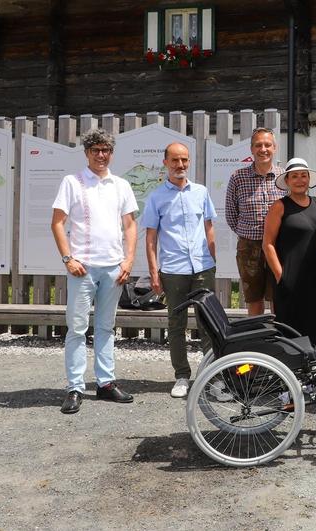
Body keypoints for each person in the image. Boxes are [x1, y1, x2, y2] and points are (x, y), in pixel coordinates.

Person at [51, 128, 138, 414]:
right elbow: (57, 222)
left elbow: (130, 225)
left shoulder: (121, 184)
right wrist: (68, 258)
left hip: (113, 267)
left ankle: (105, 383)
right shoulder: (72, 182)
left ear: (112, 153)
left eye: (106, 150)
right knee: (77, 328)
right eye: (96, 150)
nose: (101, 155)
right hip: (83, 268)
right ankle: (75, 387)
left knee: (106, 327)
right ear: (87, 152)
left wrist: (128, 261)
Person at [142, 142, 217, 399]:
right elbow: (151, 238)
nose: (180, 165)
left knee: (209, 324)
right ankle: (182, 376)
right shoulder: (156, 197)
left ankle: (212, 377)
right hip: (173, 270)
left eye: (184, 159)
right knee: (177, 324)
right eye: (175, 160)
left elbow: (208, 227)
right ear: (165, 163)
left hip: (202, 267)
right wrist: (154, 272)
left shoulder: (201, 192)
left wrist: (212, 259)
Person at [262, 158, 316, 345]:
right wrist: (280, 276)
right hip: (289, 278)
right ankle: (289, 363)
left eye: (303, 175)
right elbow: (268, 244)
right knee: (289, 326)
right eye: (295, 176)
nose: (300, 180)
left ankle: (315, 360)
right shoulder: (279, 206)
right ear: (287, 181)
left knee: (315, 324)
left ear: (309, 179)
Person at [225, 127, 284, 316]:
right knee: (254, 299)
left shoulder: (284, 177)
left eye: (267, 145)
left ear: (274, 148)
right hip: (249, 248)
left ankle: (278, 333)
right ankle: (256, 334)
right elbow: (231, 214)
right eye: (258, 145)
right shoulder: (238, 177)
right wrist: (248, 233)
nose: (263, 149)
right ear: (251, 149)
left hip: (279, 246)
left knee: (278, 297)